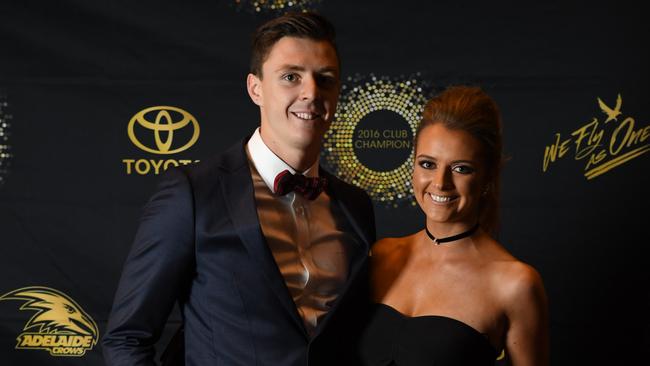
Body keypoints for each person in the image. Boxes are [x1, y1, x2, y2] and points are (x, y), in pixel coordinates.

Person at [102, 12, 375, 366]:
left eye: (325, 79)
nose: (311, 92)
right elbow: (126, 339)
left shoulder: (355, 206)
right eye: (291, 77)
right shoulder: (192, 194)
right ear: (255, 89)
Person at [359, 86, 549, 366]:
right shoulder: (382, 254)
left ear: (487, 178)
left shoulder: (515, 285)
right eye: (427, 164)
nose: (440, 183)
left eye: (461, 168)